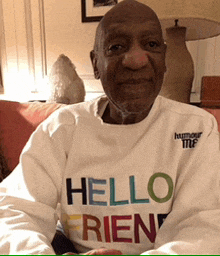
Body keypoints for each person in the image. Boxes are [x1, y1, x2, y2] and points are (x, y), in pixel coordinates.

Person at [1, 0, 220, 254]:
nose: (136, 60)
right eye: (116, 46)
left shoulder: (196, 128)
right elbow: (12, 211)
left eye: (151, 45)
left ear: (165, 58)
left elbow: (204, 229)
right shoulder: (61, 129)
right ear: (95, 64)